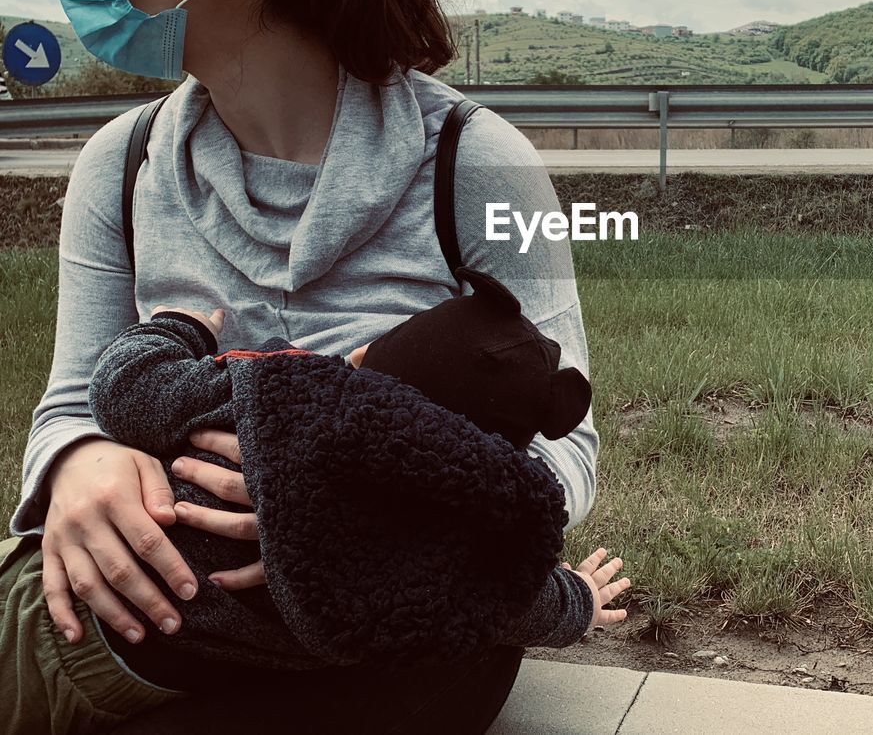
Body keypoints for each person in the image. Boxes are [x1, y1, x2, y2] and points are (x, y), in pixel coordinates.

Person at [9, 0, 613, 734]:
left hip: (389, 645)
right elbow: (71, 403)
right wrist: (77, 461)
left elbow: (568, 443)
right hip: (158, 630)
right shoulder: (118, 170)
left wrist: (349, 509)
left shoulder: (475, 162)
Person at [1, 268, 631, 733]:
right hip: (144, 676)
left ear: (360, 358)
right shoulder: (452, 559)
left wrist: (179, 326)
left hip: (56, 606)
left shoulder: (287, 398)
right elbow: (524, 605)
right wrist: (578, 597)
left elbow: (125, 389)